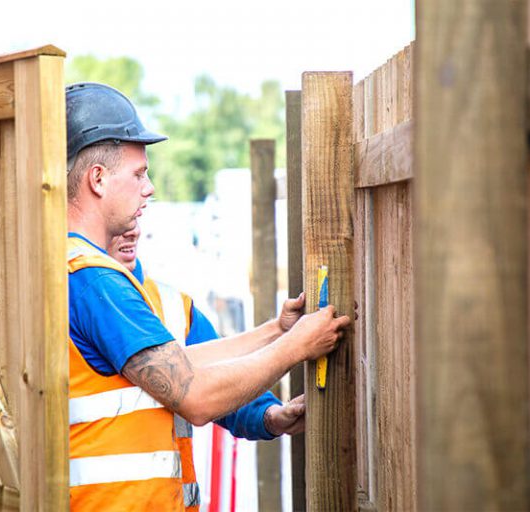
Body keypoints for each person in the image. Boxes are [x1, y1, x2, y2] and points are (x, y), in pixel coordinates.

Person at [65, 82, 350, 511]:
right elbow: (194, 396)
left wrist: (277, 332)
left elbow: (186, 362)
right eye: (139, 174)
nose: (150, 189)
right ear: (98, 179)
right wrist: (297, 345)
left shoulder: (81, 272)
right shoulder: (92, 280)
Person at [109, 223, 306, 510]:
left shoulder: (173, 305)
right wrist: (293, 343)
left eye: (136, 217)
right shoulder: (73, 296)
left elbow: (224, 373)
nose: (132, 231)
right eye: (117, 220)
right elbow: (201, 398)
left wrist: (269, 414)